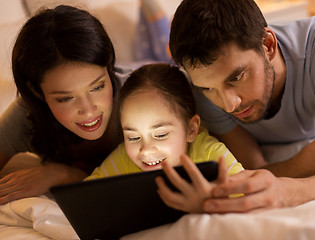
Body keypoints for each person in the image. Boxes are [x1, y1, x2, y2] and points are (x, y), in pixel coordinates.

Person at [165, 0, 315, 213]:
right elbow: (253, 169)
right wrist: (313, 157)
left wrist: (292, 191)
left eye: (236, 77)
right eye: (208, 89)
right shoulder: (199, 91)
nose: (229, 105)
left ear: (268, 46)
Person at [0, 5, 132, 205]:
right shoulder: (27, 116)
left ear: (110, 66)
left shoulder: (144, 96)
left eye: (97, 87)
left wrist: (66, 176)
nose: (88, 110)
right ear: (37, 92)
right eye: (65, 98)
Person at [86, 63, 244, 213]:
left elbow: (248, 199)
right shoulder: (125, 158)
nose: (146, 150)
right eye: (133, 137)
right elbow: (87, 196)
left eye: (160, 135)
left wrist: (211, 204)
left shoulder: (212, 156)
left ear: (191, 129)